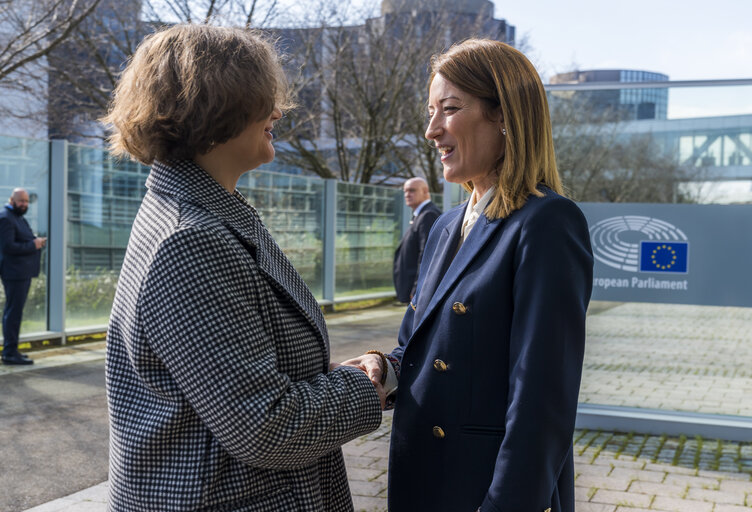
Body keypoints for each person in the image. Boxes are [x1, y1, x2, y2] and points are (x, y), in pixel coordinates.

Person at [102, 25, 384, 511]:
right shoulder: (191, 240)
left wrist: (327, 378)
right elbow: (266, 427)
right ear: (215, 104)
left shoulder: (205, 214)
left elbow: (237, 382)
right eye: (263, 98)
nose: (277, 111)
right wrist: (365, 388)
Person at [344, 39, 593, 511]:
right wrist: (386, 368)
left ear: (505, 115)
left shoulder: (546, 222)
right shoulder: (442, 226)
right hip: (425, 479)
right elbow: (419, 347)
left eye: (450, 109)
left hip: (486, 490)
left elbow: (542, 400)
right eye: (430, 111)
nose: (431, 130)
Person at [0, 188, 46, 365]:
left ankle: (12, 350)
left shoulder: (17, 217)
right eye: (21, 201)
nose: (24, 204)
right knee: (13, 313)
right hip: (13, 273)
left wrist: (34, 241)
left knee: (15, 313)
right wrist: (34, 244)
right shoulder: (4, 218)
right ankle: (9, 353)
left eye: (26, 201)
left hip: (21, 273)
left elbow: (20, 240)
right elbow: (9, 247)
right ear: (12, 200)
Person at [393, 177, 441, 303]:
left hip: (417, 294)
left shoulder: (428, 215)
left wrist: (417, 290)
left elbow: (427, 255)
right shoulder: (420, 215)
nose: (407, 194)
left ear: (425, 191)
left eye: (412, 190)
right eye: (405, 191)